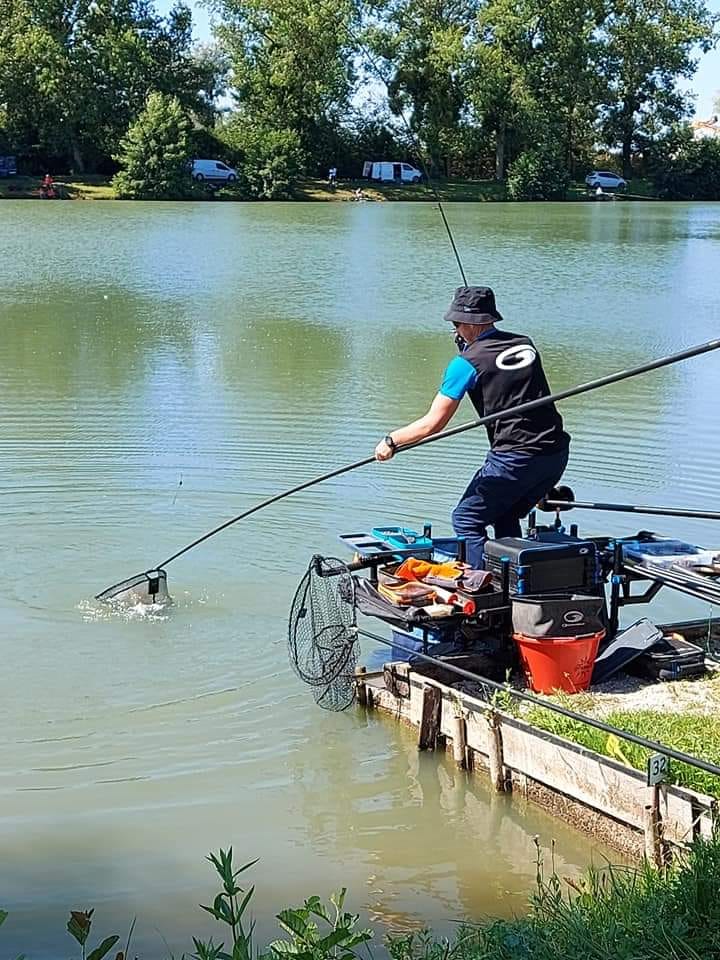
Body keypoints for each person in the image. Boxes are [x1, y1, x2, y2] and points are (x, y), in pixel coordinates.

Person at [374, 286, 570, 568]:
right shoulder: (525, 344)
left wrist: (391, 442)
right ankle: (513, 578)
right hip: (554, 454)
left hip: (515, 458)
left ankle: (480, 585)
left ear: (467, 323)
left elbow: (433, 424)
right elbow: (503, 372)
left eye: (455, 324)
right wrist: (471, 347)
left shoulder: (464, 364)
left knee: (466, 519)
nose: (455, 329)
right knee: (505, 513)